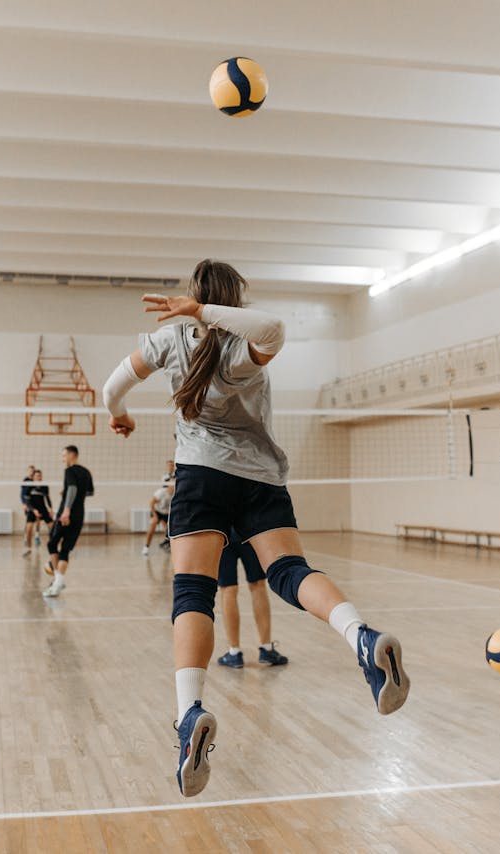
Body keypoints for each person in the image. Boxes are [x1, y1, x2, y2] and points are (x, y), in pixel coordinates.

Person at [102, 259, 408, 798]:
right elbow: (274, 330)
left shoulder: (169, 339)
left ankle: (189, 713)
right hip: (260, 479)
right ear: (236, 297)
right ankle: (361, 637)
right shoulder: (246, 346)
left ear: (197, 295)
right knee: (290, 572)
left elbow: (111, 387)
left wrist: (120, 412)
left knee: (192, 593)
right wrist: (206, 313)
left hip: (199, 475)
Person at [216, 530, 289, 668]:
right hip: (248, 531)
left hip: (223, 532)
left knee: (228, 589)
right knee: (258, 586)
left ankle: (234, 653)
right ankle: (267, 649)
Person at [43, 445, 93, 598]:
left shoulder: (69, 471)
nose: (62, 459)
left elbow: (72, 488)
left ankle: (58, 580)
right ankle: (59, 582)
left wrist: (66, 510)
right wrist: (69, 494)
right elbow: (89, 492)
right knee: (65, 549)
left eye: (64, 455)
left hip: (67, 515)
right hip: (79, 515)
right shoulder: (86, 472)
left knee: (52, 544)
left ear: (72, 455)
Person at [23, 469, 53, 556]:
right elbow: (27, 501)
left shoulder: (44, 486)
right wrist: (33, 510)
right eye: (37, 476)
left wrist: (51, 509)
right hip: (33, 509)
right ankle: (28, 549)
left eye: (40, 476)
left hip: (42, 508)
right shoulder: (28, 486)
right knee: (29, 528)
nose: (38, 477)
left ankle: (55, 547)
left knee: (54, 527)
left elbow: (47, 498)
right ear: (33, 477)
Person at [142, 479, 173, 556]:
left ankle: (167, 544)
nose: (173, 485)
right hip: (157, 511)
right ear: (168, 484)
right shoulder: (161, 492)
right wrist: (155, 516)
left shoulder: (176, 493)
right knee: (153, 525)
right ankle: (146, 547)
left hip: (167, 513)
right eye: (172, 483)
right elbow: (151, 503)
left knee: (168, 530)